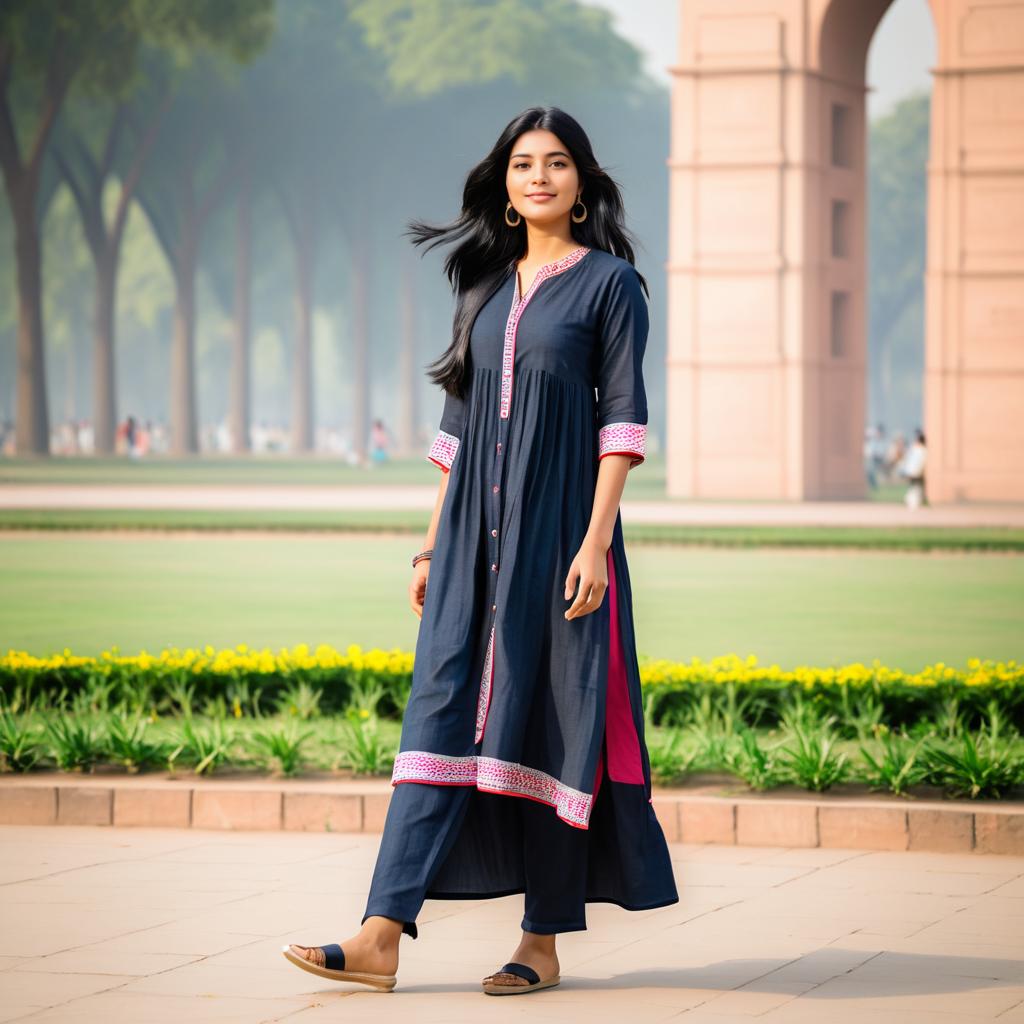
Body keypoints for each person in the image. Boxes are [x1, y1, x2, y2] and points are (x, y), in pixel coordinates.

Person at [283, 106, 678, 996]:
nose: (538, 176)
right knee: (436, 722)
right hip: (467, 548)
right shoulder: (482, 291)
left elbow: (621, 420)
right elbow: (456, 434)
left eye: (557, 164)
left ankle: (540, 942)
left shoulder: (612, 287)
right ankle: (381, 933)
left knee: (552, 726)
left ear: (582, 186)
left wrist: (596, 541)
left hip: (558, 543)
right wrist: (428, 548)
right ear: (504, 185)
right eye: (523, 164)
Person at [901, 428, 928, 508]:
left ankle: (911, 501)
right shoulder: (922, 450)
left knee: (914, 486)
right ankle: (913, 501)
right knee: (916, 487)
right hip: (916, 471)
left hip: (913, 471)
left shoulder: (916, 449)